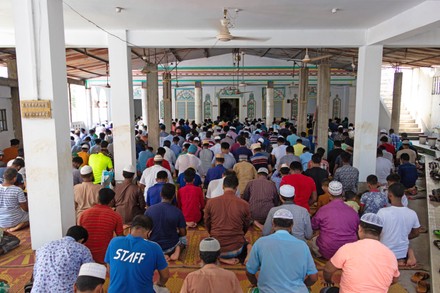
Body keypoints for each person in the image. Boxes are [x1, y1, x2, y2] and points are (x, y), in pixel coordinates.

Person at [321, 213, 400, 293]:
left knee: (325, 290)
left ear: (360, 229)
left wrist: (328, 281)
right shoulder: (391, 255)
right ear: (381, 233)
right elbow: (394, 279)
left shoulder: (348, 248)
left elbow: (328, 270)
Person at [246, 209, 318, 292]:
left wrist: (255, 283)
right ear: (292, 225)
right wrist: (303, 285)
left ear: (273, 224)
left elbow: (249, 272)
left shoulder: (261, 242)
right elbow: (313, 277)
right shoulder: (302, 245)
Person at [105, 215, 169, 293]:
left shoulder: (114, 242)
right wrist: (159, 283)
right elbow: (165, 276)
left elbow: (109, 269)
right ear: (149, 233)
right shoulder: (154, 247)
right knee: (164, 290)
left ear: (130, 229)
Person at [204, 174, 252, 265]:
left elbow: (207, 223)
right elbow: (246, 226)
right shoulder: (244, 204)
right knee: (249, 245)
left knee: (204, 245)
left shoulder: (211, 202)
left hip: (215, 248)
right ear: (236, 188)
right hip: (237, 249)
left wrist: (212, 234)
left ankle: (219, 259)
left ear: (223, 186)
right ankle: (246, 256)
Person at [32, 226, 94, 293]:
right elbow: (90, 273)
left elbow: (35, 273)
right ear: (81, 240)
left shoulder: (44, 247)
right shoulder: (82, 249)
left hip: (38, 290)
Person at [311, 181, 359, 259]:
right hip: (349, 251)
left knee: (312, 241)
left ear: (329, 194)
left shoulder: (323, 210)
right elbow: (357, 229)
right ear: (342, 193)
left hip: (327, 251)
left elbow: (314, 225)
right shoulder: (352, 211)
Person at [377, 182, 420, 267]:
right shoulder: (412, 213)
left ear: (389, 195)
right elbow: (416, 233)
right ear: (403, 195)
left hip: (384, 253)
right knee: (407, 245)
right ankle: (405, 259)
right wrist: (401, 235)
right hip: (402, 254)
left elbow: (376, 233)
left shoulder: (382, 212)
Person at [79, 188, 123, 263]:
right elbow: (120, 237)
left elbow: (79, 236)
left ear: (98, 198)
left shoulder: (83, 214)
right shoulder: (116, 216)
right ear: (112, 201)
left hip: (86, 256)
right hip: (105, 256)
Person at [145, 183, 187, 261]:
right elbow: (183, 232)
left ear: (161, 194)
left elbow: (143, 230)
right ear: (174, 196)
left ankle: (158, 255)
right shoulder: (177, 211)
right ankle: (177, 250)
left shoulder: (149, 210)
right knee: (183, 241)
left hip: (153, 247)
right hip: (171, 247)